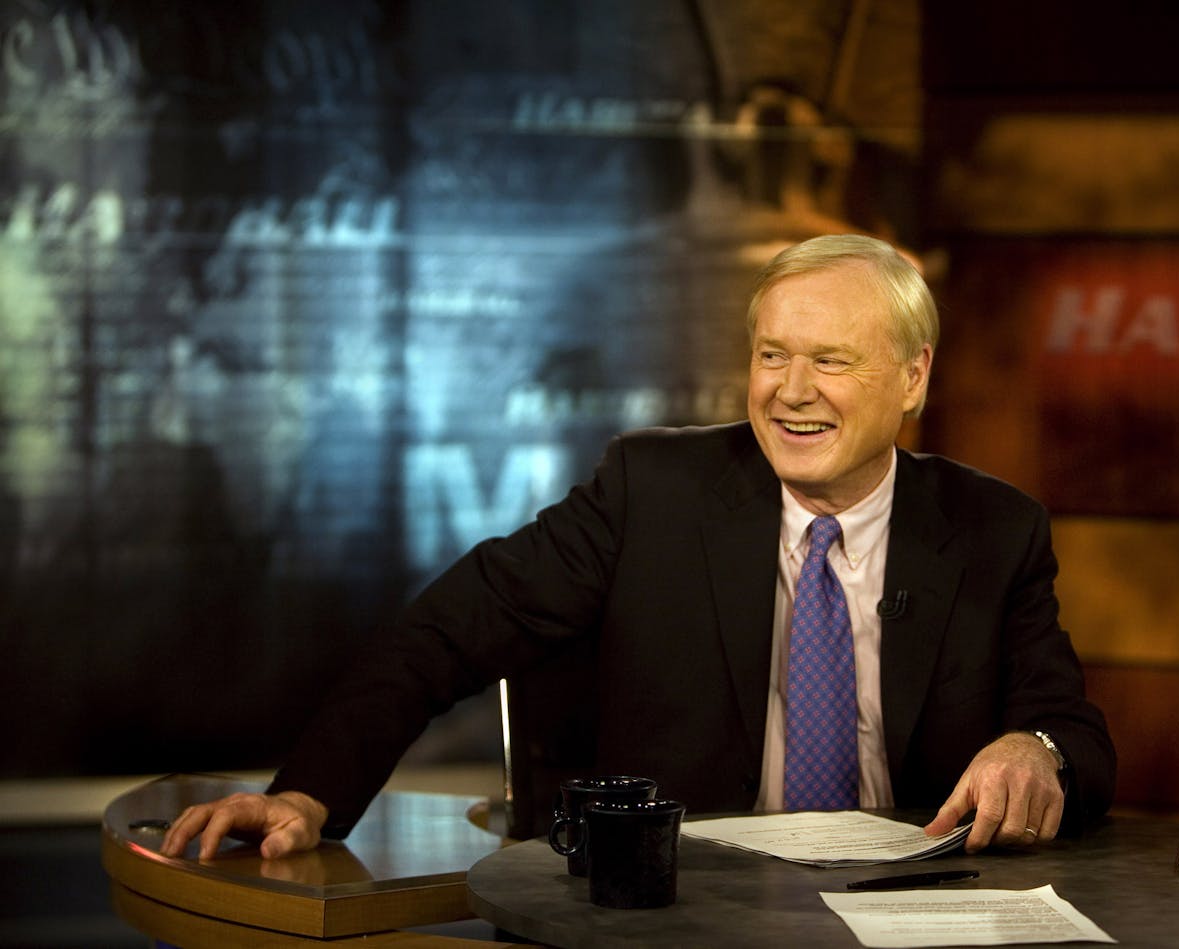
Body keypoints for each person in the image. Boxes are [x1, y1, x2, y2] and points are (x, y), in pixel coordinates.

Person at [162, 234, 1114, 862]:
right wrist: (309, 795)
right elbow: (447, 630)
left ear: (912, 379)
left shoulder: (994, 530)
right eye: (772, 354)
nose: (791, 390)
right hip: (686, 912)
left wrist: (1033, 750)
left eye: (830, 360)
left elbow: (1073, 735)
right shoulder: (650, 493)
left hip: (907, 919)